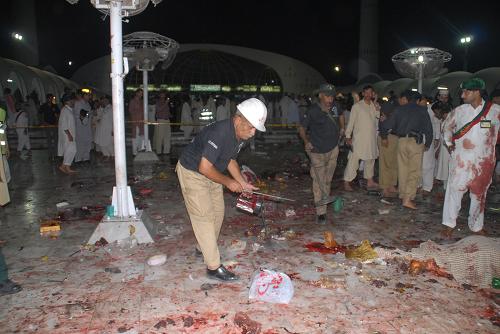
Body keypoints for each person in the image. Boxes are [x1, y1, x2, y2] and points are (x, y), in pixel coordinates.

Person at [176, 98, 267, 282]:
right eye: (251, 127)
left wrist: (241, 183)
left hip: (212, 172)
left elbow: (230, 159)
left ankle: (203, 247)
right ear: (238, 119)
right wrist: (228, 182)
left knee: (218, 213)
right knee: (204, 216)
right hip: (193, 172)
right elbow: (203, 167)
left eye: (255, 128)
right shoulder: (220, 132)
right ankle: (213, 267)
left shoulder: (240, 134)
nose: (253, 132)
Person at [441, 78, 500, 238]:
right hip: (461, 160)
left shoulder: (495, 111)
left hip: (484, 161)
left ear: (477, 92)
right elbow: (446, 126)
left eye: (466, 91)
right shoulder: (459, 111)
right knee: (455, 191)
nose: (462, 94)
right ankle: (449, 223)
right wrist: (448, 142)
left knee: (479, 195)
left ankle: (476, 226)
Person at [380, 90, 433, 210]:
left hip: (402, 141)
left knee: (403, 169)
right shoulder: (422, 111)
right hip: (415, 142)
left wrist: (384, 137)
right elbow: (429, 129)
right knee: (414, 171)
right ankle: (407, 199)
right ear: (418, 100)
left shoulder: (399, 109)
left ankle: (403, 194)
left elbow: (386, 125)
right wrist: (428, 143)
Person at [298, 84, 340, 224]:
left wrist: (343, 129)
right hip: (317, 151)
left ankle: (325, 200)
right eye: (327, 96)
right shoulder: (312, 111)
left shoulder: (335, 107)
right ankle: (321, 212)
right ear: (321, 95)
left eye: (332, 96)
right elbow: (302, 128)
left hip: (333, 149)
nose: (330, 99)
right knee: (318, 181)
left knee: (327, 180)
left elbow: (340, 118)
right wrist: (306, 141)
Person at [344, 85, 380, 191]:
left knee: (370, 159)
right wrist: (347, 136)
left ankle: (370, 181)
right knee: (353, 160)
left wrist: (377, 108)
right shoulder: (357, 106)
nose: (369, 95)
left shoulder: (374, 106)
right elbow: (351, 122)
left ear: (373, 94)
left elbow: (376, 121)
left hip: (371, 139)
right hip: (359, 139)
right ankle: (347, 182)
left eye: (371, 93)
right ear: (363, 93)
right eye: (367, 93)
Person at [378, 99, 399, 198]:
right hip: (387, 136)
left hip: (396, 137)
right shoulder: (388, 105)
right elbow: (381, 121)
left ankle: (391, 184)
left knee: (394, 162)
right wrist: (384, 137)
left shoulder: (401, 107)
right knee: (385, 162)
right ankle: (385, 186)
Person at [57, 94, 77, 174]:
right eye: (73, 100)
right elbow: (64, 124)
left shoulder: (68, 110)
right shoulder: (65, 110)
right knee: (71, 150)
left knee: (70, 150)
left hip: (70, 134)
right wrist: (69, 135)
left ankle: (64, 166)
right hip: (67, 135)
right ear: (68, 101)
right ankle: (65, 167)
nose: (74, 102)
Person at [73, 90, 92, 163]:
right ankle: (78, 159)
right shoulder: (78, 103)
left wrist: (89, 114)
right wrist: (87, 114)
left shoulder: (88, 104)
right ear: (83, 95)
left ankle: (86, 158)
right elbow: (78, 114)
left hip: (87, 128)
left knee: (87, 142)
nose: (89, 97)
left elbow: (88, 113)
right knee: (80, 144)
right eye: (87, 95)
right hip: (80, 127)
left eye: (89, 95)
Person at [39, 94, 60, 160]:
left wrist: (57, 121)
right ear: (47, 98)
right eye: (49, 98)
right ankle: (50, 155)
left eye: (51, 98)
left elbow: (58, 114)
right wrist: (43, 122)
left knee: (56, 139)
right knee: (49, 140)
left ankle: (56, 154)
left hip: (54, 124)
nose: (50, 100)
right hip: (47, 124)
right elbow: (40, 114)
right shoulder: (43, 106)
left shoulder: (55, 106)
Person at [129, 89, 144, 155]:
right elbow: (131, 111)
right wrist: (135, 120)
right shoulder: (133, 101)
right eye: (140, 93)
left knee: (141, 136)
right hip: (136, 122)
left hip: (141, 122)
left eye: (142, 93)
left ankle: (140, 150)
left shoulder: (141, 101)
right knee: (135, 137)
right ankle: (134, 152)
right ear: (136, 93)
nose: (141, 94)